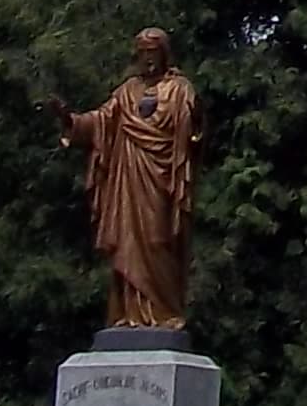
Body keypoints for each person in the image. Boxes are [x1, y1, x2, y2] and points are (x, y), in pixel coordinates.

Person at [54, 28, 202, 331]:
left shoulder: (179, 89)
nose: (148, 59)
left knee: (158, 240)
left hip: (162, 179)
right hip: (128, 182)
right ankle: (128, 313)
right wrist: (71, 120)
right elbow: (101, 120)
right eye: (142, 52)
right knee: (127, 241)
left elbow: (194, 130)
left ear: (164, 54)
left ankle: (164, 312)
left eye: (153, 52)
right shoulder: (126, 92)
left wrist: (197, 124)